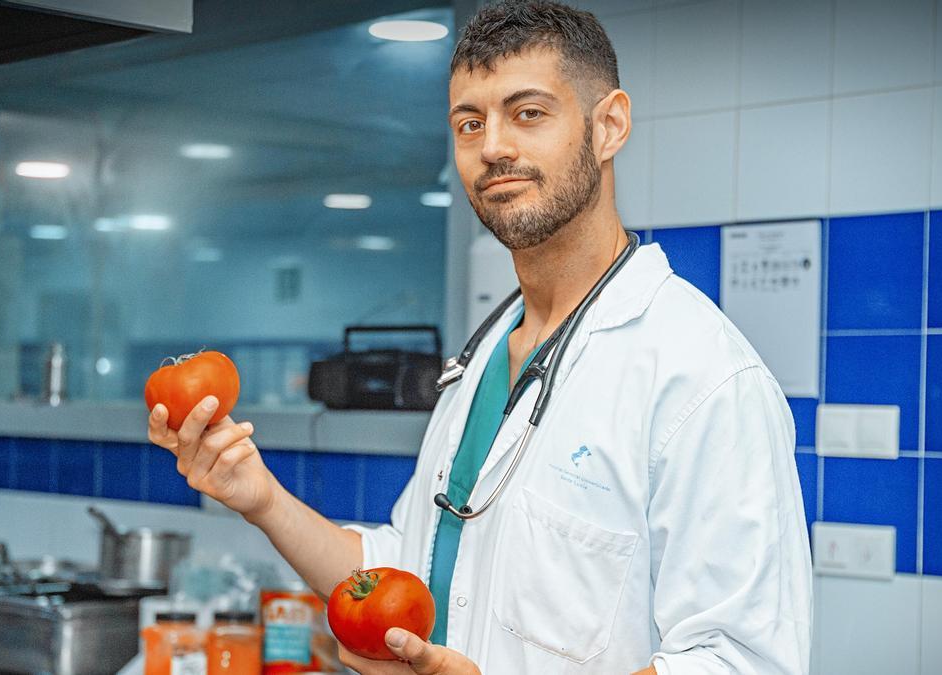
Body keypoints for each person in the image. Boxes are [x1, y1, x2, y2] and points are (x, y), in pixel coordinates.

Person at [148, 2, 813, 673]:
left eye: (528, 113)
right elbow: (404, 571)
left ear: (609, 125)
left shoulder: (700, 376)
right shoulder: (486, 356)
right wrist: (259, 496)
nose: (492, 146)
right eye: (470, 122)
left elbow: (736, 660)